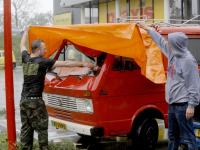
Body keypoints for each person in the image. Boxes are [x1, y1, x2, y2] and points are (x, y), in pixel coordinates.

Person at [19, 26, 97, 150]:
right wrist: (84, 63)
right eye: (44, 49)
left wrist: (26, 32)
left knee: (26, 129)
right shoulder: (41, 61)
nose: (46, 51)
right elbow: (65, 63)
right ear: (38, 49)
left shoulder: (26, 58)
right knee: (42, 129)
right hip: (35, 102)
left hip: (24, 100)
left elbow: (22, 45)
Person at [137, 21, 200, 150]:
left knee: (188, 137)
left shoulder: (188, 61)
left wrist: (192, 106)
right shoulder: (172, 54)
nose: (168, 45)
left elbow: (194, 85)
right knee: (172, 136)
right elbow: (160, 41)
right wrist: (146, 28)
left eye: (170, 43)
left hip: (183, 106)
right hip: (172, 105)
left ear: (177, 44)